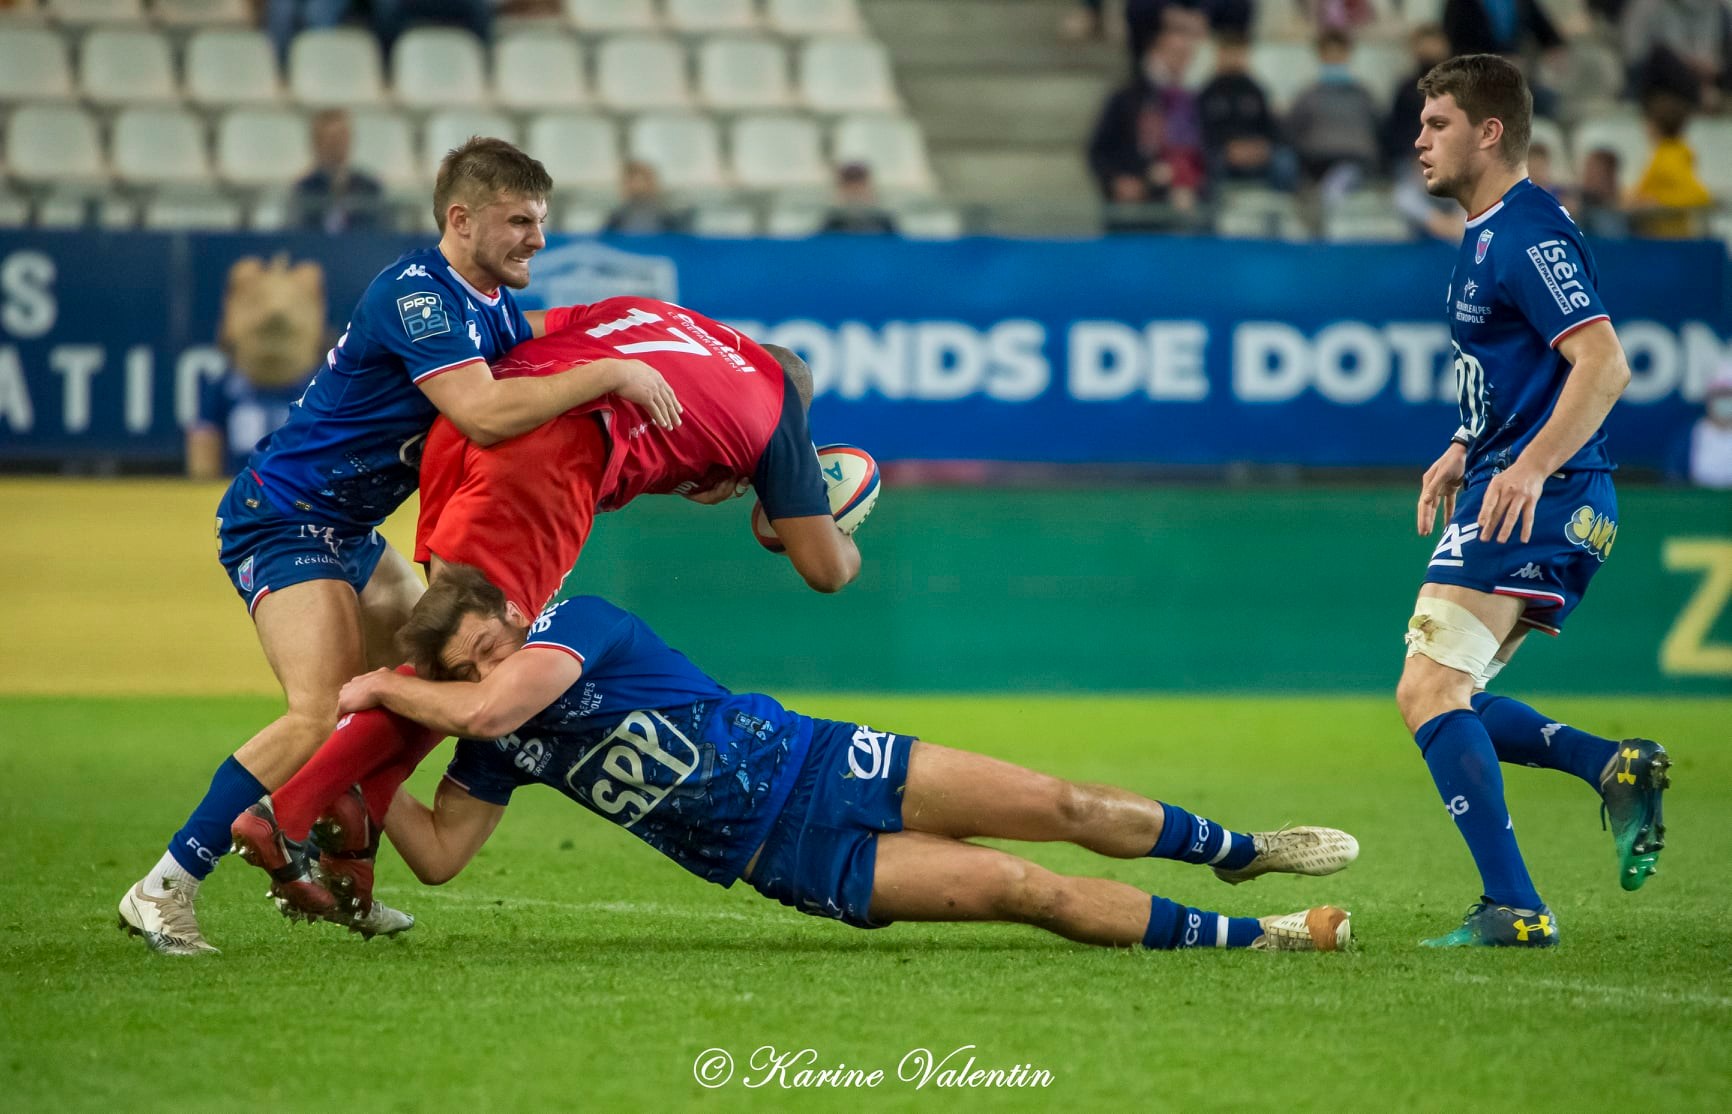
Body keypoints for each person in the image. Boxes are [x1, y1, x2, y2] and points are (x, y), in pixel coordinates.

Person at [117, 138, 684, 957]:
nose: (538, 239)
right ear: (461, 219)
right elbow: (485, 414)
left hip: (347, 530)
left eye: (542, 221)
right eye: (519, 220)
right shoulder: (417, 294)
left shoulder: (488, 308)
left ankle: (346, 879)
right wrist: (611, 374)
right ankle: (163, 889)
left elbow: (537, 378)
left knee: (436, 674)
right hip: (282, 517)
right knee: (320, 713)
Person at [229, 297, 860, 931]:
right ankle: (288, 811)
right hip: (549, 455)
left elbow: (515, 331)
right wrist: (842, 529)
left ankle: (353, 839)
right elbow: (824, 569)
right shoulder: (778, 405)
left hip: (471, 430)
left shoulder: (660, 318)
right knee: (476, 660)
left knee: (449, 649)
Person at [333, 566, 1360, 953]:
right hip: (788, 858)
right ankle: (1254, 935)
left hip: (825, 762)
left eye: (494, 642)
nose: (494, 666)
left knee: (1066, 800)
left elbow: (509, 696)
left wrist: (383, 689)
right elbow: (437, 854)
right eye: (472, 666)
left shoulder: (575, 624)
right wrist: (356, 778)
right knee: (1019, 887)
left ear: (517, 616)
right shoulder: (494, 736)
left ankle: (1235, 847)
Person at [1405, 54, 1668, 948]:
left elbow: (1605, 364)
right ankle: (1610, 764)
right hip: (1539, 486)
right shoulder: (1488, 232)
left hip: (1538, 494)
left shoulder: (1524, 235)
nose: (1419, 140)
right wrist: (1463, 445)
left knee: (1429, 689)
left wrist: (1523, 468)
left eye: (1437, 123)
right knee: (1453, 692)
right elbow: (1518, 370)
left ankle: (1514, 905)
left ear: (1489, 132)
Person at [1086, 6, 1208, 228]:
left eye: (1186, 55)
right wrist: (1118, 181)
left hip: (1186, 208)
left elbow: (1206, 153)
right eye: (1174, 53)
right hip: (1136, 211)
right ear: (1155, 53)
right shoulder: (1126, 99)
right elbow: (1098, 151)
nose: (1180, 61)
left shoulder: (1197, 101)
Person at [1198, 30, 1290, 189]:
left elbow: (1272, 127)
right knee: (1208, 162)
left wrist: (1263, 147)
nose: (1234, 59)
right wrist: (1228, 149)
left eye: (1238, 53)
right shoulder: (1208, 92)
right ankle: (1214, 212)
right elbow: (1202, 131)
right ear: (1220, 55)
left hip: (1256, 150)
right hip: (1223, 152)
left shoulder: (1256, 91)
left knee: (1285, 162)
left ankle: (1276, 212)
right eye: (1230, 52)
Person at [1625, 89, 1714, 238]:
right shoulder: (1663, 154)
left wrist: (1658, 202)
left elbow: (1699, 196)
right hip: (1661, 235)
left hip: (1671, 239)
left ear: (1655, 125)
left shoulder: (1669, 157)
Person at [290, 109, 388, 235]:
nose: (336, 145)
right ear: (316, 143)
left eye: (341, 138)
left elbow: (380, 231)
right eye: (330, 139)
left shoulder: (369, 187)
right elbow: (296, 232)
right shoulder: (304, 189)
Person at [602, 160, 690, 235]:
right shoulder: (617, 217)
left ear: (652, 183)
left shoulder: (669, 215)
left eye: (639, 181)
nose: (634, 187)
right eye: (628, 182)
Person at [818, 162, 899, 235]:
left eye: (860, 188)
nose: (855, 193)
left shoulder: (885, 222)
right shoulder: (831, 222)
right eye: (849, 188)